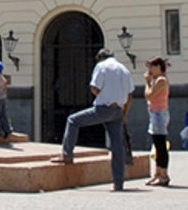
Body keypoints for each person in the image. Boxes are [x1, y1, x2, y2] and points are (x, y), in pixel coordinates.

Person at [50, 48, 134, 192]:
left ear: (100, 58)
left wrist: (104, 95)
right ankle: (118, 182)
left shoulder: (101, 66)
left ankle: (67, 155)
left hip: (103, 108)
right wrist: (125, 113)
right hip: (118, 110)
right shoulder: (124, 69)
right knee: (117, 146)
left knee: (73, 120)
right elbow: (130, 93)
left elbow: (94, 87)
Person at [143, 56, 170, 186]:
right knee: (157, 144)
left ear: (158, 67)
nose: (150, 70)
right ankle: (158, 174)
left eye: (152, 67)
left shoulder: (160, 80)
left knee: (160, 145)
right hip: (155, 113)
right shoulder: (157, 80)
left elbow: (149, 96)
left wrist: (147, 82)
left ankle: (163, 175)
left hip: (159, 114)